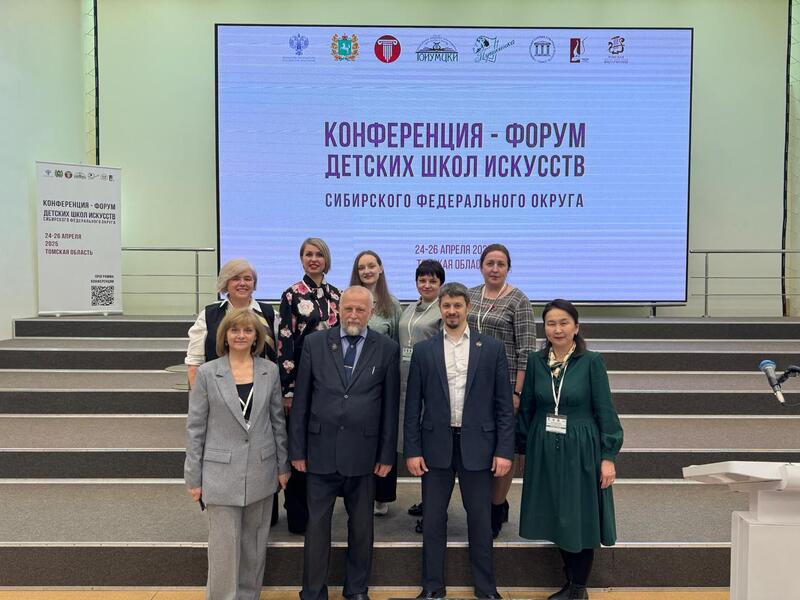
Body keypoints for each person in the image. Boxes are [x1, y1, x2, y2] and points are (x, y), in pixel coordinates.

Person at [404, 282, 514, 600]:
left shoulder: (491, 348)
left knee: (480, 519)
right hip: (435, 446)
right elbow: (412, 406)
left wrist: (504, 451)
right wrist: (412, 449)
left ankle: (486, 588)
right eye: (447, 305)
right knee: (433, 519)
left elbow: (504, 406)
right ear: (440, 308)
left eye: (457, 305)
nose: (452, 311)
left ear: (468, 307)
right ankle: (432, 587)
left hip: (478, 447)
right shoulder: (424, 350)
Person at [289, 286, 400, 600]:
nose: (353, 315)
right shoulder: (315, 344)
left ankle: (356, 590)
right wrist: (297, 449)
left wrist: (386, 454)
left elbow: (390, 407)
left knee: (362, 528)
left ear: (371, 312)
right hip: (319, 450)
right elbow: (301, 400)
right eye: (348, 309)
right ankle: (313, 591)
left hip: (364, 454)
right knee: (316, 527)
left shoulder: (387, 348)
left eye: (360, 310)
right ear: (338, 309)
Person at [517, 299, 623, 600]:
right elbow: (527, 407)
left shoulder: (591, 362)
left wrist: (608, 457)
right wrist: (523, 448)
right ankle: (570, 580)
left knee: (578, 515)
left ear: (576, 327)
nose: (557, 329)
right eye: (551, 323)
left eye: (564, 323)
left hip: (581, 449)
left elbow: (606, 411)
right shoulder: (536, 362)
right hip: (544, 447)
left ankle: (578, 588)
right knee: (556, 514)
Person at [185, 308, 290, 600]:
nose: (241, 335)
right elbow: (195, 428)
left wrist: (283, 466)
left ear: (256, 336)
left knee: (254, 549)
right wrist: (193, 477)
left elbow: (277, 422)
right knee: (223, 551)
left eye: (247, 330)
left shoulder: (270, 371)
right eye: (235, 330)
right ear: (225, 336)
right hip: (220, 474)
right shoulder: (207, 373)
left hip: (261, 470)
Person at [467, 243, 536, 537]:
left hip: (505, 387)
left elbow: (527, 350)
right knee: (480, 448)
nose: (494, 269)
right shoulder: (470, 295)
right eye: (490, 263)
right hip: (471, 387)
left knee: (502, 449)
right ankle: (491, 502)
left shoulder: (519, 300)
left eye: (501, 264)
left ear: (508, 268)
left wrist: (517, 393)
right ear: (481, 266)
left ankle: (496, 507)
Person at [278, 237, 341, 534]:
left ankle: (321, 510)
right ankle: (297, 514)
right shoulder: (291, 295)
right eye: (308, 254)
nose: (314, 259)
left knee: (322, 445)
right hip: (301, 381)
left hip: (330, 384)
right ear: (301, 258)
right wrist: (288, 390)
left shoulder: (338, 295)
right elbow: (285, 343)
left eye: (319, 254)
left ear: (326, 260)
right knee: (299, 446)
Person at [350, 250, 403, 517]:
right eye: (362, 267)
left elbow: (398, 345)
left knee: (382, 435)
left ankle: (381, 495)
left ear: (381, 268)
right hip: (350, 382)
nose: (367, 271)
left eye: (372, 266)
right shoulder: (348, 299)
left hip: (381, 381)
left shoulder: (392, 305)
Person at [398, 259, 445, 526]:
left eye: (432, 281)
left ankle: (433, 509)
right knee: (416, 446)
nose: (426, 285)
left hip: (431, 386)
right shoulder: (409, 308)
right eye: (422, 280)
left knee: (431, 448)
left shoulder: (442, 310)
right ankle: (428, 501)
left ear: (441, 284)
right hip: (407, 384)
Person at [185, 258, 277, 389]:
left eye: (247, 279)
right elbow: (194, 362)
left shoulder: (270, 314)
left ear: (254, 283)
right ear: (225, 283)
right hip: (217, 390)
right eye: (235, 279)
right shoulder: (208, 315)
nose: (242, 283)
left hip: (261, 389)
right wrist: (197, 396)